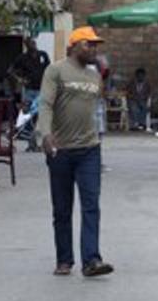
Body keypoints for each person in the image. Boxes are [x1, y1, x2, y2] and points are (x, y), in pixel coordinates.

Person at [38, 26, 114, 277]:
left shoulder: (95, 76)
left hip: (89, 150)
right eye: (88, 44)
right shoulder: (56, 70)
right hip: (61, 149)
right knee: (62, 208)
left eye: (95, 45)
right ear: (74, 46)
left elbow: (95, 109)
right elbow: (46, 104)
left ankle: (91, 259)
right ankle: (64, 260)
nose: (94, 49)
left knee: (91, 205)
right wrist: (45, 134)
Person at [10, 36, 51, 109]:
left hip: (42, 89)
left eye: (33, 42)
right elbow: (10, 71)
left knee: (42, 111)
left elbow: (49, 69)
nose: (33, 44)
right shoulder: (22, 58)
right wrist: (19, 79)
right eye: (30, 43)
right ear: (26, 45)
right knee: (29, 112)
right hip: (30, 90)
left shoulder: (43, 55)